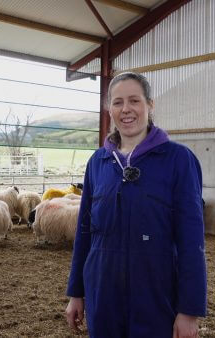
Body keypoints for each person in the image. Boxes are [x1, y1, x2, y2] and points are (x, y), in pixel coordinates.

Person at [65, 72, 207, 337]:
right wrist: (76, 292)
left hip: (156, 296)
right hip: (102, 295)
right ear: (109, 109)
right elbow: (84, 233)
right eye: (117, 102)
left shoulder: (178, 160)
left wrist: (189, 310)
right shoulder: (98, 162)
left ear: (149, 105)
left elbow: (192, 241)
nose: (126, 109)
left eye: (134, 101)